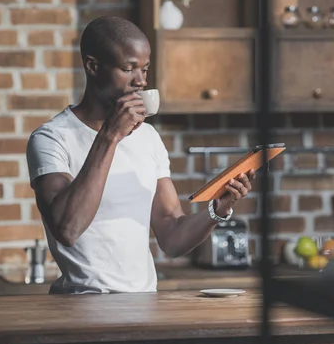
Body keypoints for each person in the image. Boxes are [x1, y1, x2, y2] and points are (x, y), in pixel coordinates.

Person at [26, 16, 255, 294]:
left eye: (145, 70)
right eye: (128, 68)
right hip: (82, 308)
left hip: (143, 309)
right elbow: (68, 228)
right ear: (92, 66)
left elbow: (172, 237)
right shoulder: (51, 138)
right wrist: (110, 135)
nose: (141, 81)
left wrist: (218, 209)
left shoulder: (148, 138)